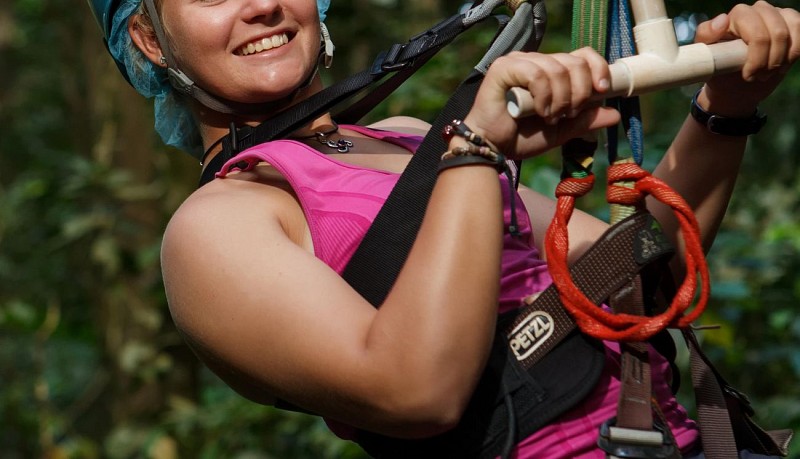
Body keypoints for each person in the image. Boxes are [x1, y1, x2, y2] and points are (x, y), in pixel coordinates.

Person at [91, 0, 799, 456]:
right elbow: (413, 391)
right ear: (151, 39)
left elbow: (642, 264)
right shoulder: (215, 227)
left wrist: (725, 106)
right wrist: (475, 149)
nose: (262, 5)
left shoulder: (404, 136)